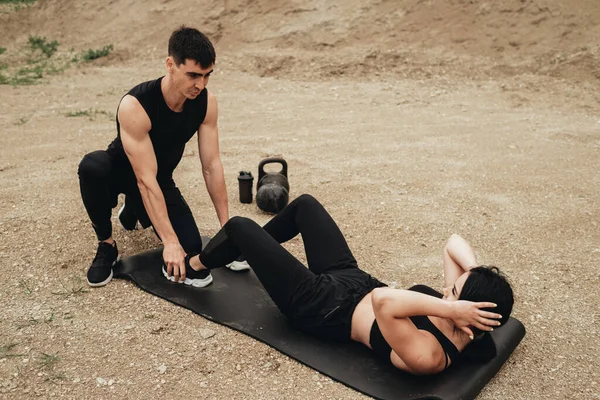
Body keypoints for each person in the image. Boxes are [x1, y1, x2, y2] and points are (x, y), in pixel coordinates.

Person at [180, 194, 514, 375]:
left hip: (319, 306)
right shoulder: (458, 312)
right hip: (353, 279)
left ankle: (196, 266)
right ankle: (244, 252)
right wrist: (474, 274)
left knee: (240, 225)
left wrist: (451, 306)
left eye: (454, 292)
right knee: (305, 206)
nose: (446, 291)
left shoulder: (431, 355)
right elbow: (452, 243)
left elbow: (385, 302)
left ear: (470, 319)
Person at [78, 26, 249, 288]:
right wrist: (169, 242)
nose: (200, 85)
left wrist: (228, 229)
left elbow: (211, 166)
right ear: (170, 64)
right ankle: (107, 245)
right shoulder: (136, 104)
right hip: (121, 172)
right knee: (92, 166)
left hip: (158, 177)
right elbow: (144, 180)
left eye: (206, 76)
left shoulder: (206, 102)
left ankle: (134, 208)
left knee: (190, 249)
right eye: (192, 75)